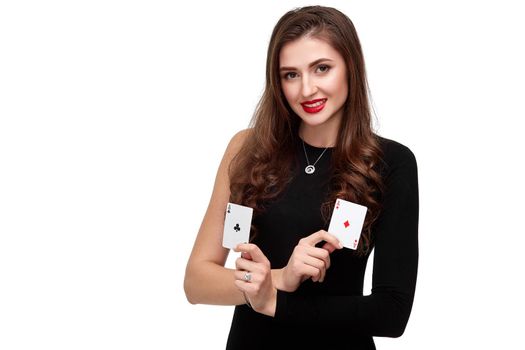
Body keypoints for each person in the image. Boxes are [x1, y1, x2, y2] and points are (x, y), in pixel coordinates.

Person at [184, 5, 419, 349]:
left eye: (321, 68)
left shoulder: (390, 162)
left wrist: (273, 302)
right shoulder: (247, 148)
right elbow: (197, 281)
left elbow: (391, 313)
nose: (307, 89)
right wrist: (278, 279)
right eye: (290, 74)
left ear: (351, 67)